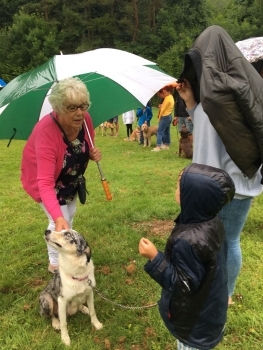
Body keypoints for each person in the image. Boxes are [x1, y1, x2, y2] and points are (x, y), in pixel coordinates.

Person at [176, 25, 263, 305]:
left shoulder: (217, 97)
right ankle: (223, 292)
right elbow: (208, 132)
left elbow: (213, 134)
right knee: (227, 241)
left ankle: (222, 294)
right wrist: (191, 104)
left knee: (222, 243)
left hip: (221, 188)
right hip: (239, 183)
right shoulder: (244, 90)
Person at [139, 163, 235, 350]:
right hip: (210, 312)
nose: (175, 189)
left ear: (193, 197)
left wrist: (155, 258)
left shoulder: (188, 241)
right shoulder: (213, 220)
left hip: (194, 325)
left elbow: (181, 284)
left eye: (179, 186)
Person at [21, 77, 102, 273]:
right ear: (57, 108)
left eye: (83, 105)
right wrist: (57, 217)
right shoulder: (46, 132)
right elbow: (45, 183)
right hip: (44, 179)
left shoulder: (86, 119)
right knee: (59, 218)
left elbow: (86, 144)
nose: (80, 113)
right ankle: (55, 264)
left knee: (69, 215)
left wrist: (92, 153)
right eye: (72, 107)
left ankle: (63, 252)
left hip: (70, 177)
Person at [152, 85, 174, 152]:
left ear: (165, 91)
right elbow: (165, 107)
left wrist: (159, 118)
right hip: (169, 116)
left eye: (160, 94)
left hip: (165, 116)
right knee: (167, 131)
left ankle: (158, 146)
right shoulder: (170, 97)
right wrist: (161, 106)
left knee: (160, 131)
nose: (160, 96)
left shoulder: (167, 98)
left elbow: (163, 110)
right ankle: (166, 145)